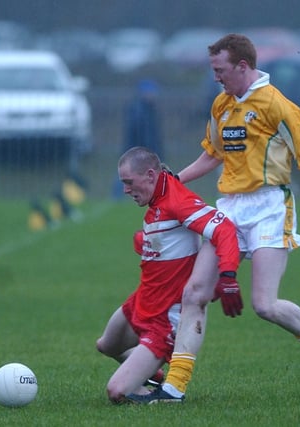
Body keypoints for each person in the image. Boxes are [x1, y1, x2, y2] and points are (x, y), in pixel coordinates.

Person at [127, 34, 300, 404]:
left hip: (270, 207)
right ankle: (174, 388)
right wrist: (173, 180)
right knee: (194, 293)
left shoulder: (278, 106)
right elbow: (212, 155)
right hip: (229, 208)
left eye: (220, 70)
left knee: (265, 305)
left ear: (243, 66)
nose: (215, 77)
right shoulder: (221, 105)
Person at [96, 146, 241, 403]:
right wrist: (144, 242)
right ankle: (153, 373)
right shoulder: (156, 198)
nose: (126, 189)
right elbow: (169, 243)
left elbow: (224, 229)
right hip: (143, 301)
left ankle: (152, 380)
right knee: (106, 346)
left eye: (129, 183)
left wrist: (228, 276)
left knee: (116, 392)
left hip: (164, 319)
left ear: (151, 175)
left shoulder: (177, 200)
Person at [113, 79, 163, 199]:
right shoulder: (140, 110)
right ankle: (117, 197)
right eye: (151, 92)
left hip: (137, 150)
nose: (153, 95)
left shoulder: (147, 109)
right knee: (125, 173)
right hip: (136, 149)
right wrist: (146, 150)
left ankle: (119, 197)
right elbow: (143, 133)